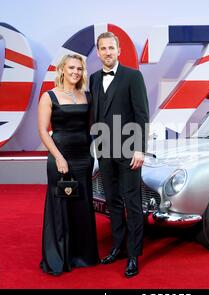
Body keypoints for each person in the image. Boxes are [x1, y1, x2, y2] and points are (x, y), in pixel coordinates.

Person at [90, 32, 149, 278]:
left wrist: (139, 148)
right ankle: (118, 247)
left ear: (119, 50)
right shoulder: (93, 78)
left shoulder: (133, 76)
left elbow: (142, 114)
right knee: (113, 201)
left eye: (111, 48)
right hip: (103, 149)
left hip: (128, 150)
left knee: (132, 203)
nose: (107, 52)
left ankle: (134, 255)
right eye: (103, 48)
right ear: (98, 52)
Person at [38, 54, 99, 275]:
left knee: (82, 205)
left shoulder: (88, 96)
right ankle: (59, 257)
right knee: (61, 204)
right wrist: (59, 157)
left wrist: (94, 154)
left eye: (80, 69)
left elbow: (91, 128)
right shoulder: (49, 96)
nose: (76, 72)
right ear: (62, 69)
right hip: (60, 157)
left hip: (83, 157)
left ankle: (82, 256)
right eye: (71, 68)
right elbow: (44, 131)